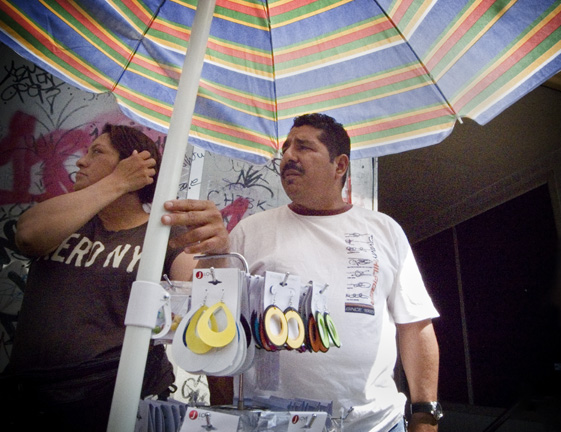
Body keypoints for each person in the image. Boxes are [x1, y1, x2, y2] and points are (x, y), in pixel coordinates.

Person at [212, 113, 442, 432]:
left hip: (374, 424)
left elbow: (415, 325)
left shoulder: (385, 231)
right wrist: (224, 413)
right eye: (286, 147)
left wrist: (425, 415)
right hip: (269, 423)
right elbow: (222, 329)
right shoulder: (249, 233)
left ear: (340, 165)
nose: (288, 156)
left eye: (304, 147)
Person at [2, 124, 229, 431]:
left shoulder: (163, 233)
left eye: (96, 152)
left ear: (137, 163)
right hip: (27, 396)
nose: (81, 162)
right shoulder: (66, 219)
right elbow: (27, 236)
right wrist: (117, 182)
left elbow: (203, 292)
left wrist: (219, 250)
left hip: (112, 399)